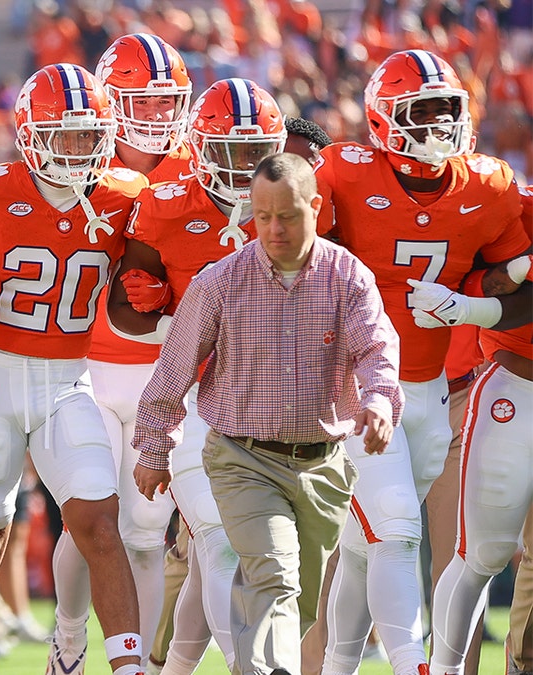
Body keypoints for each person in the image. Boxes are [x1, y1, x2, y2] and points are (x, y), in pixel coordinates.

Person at [132, 152, 403, 675]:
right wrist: (154, 446)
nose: (275, 229)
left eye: (289, 215)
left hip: (324, 464)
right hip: (242, 458)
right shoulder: (220, 281)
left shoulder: (348, 276)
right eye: (263, 216)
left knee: (296, 603)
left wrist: (378, 400)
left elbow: (376, 348)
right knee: (275, 575)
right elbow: (174, 368)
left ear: (316, 208)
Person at [315, 49, 530, 675]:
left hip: (432, 392)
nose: (438, 127)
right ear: (383, 119)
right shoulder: (345, 173)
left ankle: (337, 665)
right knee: (400, 529)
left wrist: (474, 300)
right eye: (421, 112)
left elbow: (512, 285)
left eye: (447, 112)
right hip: (355, 386)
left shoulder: (487, 185)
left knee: (365, 544)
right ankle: (416, 664)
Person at [0, 62, 147, 675]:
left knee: (98, 520)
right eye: (62, 134)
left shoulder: (124, 196)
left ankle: (126, 666)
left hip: (68, 379)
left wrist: (148, 296)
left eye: (88, 135)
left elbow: (131, 302)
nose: (77, 148)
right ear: (32, 134)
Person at [108, 76, 287, 672]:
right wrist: (154, 306)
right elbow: (123, 315)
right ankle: (253, 666)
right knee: (219, 541)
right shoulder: (163, 205)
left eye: (254, 150)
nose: (242, 166)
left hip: (269, 407)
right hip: (193, 405)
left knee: (238, 550)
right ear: (201, 147)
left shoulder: (302, 209)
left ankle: (170, 667)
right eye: (229, 150)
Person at [50, 34, 193, 665]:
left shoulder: (201, 168)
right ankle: (69, 637)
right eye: (143, 101)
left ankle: (140, 664)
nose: (159, 116)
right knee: (88, 519)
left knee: (144, 534)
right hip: (87, 365)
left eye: (169, 103)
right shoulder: (79, 162)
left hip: (167, 374)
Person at [424, 187, 531, 675]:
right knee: (480, 555)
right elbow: (475, 282)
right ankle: (445, 670)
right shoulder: (517, 206)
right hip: (516, 388)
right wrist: (491, 288)